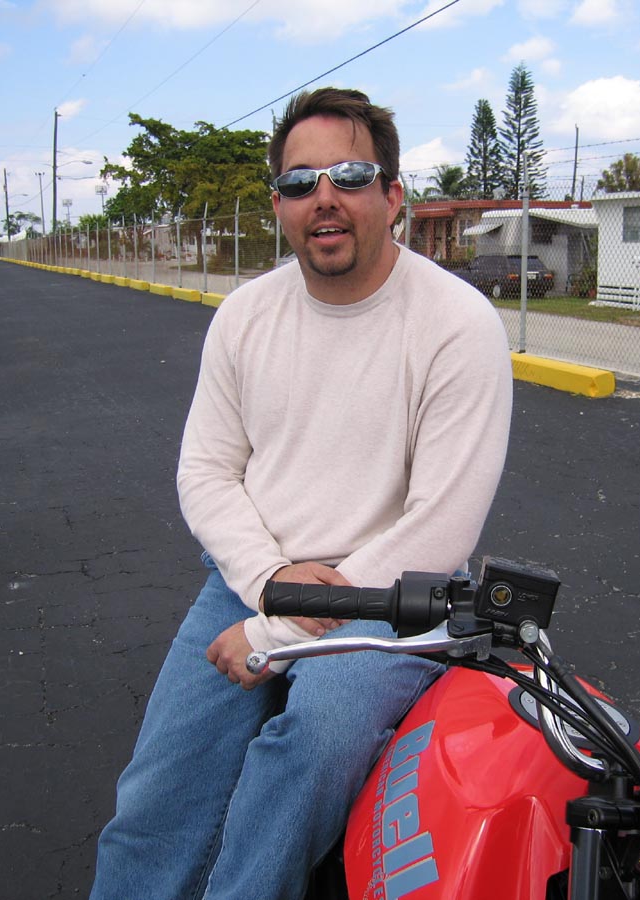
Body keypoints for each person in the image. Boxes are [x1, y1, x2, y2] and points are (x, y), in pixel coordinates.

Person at [90, 87, 513, 900]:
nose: (324, 197)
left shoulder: (458, 324)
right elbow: (206, 472)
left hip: (393, 596)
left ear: (393, 196)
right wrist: (267, 586)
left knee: (310, 748)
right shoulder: (245, 316)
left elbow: (441, 525)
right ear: (280, 204)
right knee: (158, 794)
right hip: (255, 575)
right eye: (299, 181)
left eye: (350, 176)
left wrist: (277, 631)